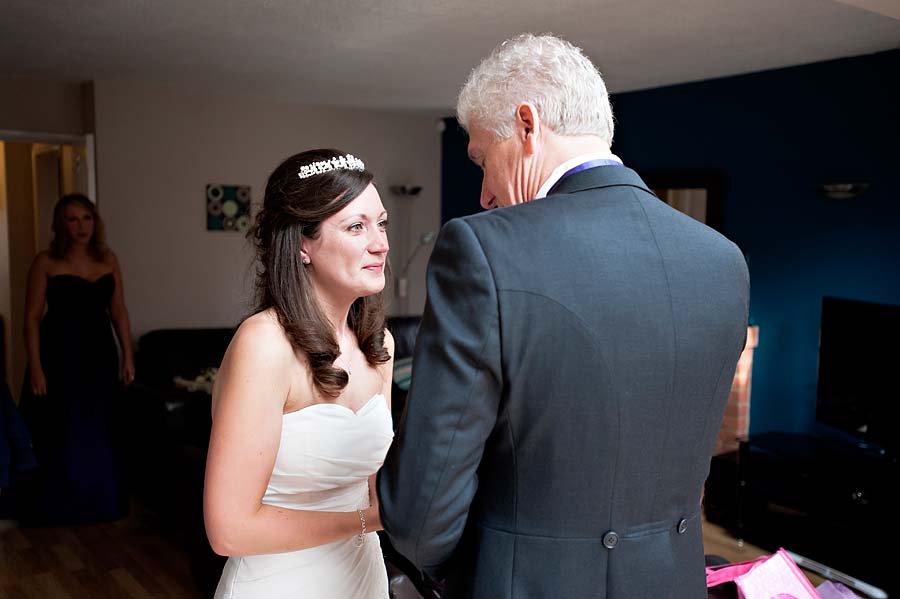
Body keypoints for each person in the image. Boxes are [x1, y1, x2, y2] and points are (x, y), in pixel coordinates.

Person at [378, 33, 750, 599]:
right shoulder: (724, 260)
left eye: (482, 159)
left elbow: (421, 513)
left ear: (529, 126)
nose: (484, 194)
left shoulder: (483, 251)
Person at [203, 149, 395, 598]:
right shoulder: (264, 344)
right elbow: (228, 530)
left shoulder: (379, 344)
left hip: (364, 577)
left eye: (381, 223)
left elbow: (377, 485)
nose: (381, 243)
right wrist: (370, 521)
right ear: (303, 244)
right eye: (356, 227)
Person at [17, 193, 134, 524]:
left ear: (94, 222)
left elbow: (118, 311)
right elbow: (31, 318)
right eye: (72, 219)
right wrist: (36, 367)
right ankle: (58, 508)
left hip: (99, 354)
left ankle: (100, 504)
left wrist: (128, 355)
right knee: (62, 430)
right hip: (59, 355)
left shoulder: (107, 259)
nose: (80, 226)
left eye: (86, 218)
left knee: (98, 429)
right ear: (60, 224)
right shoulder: (46, 261)